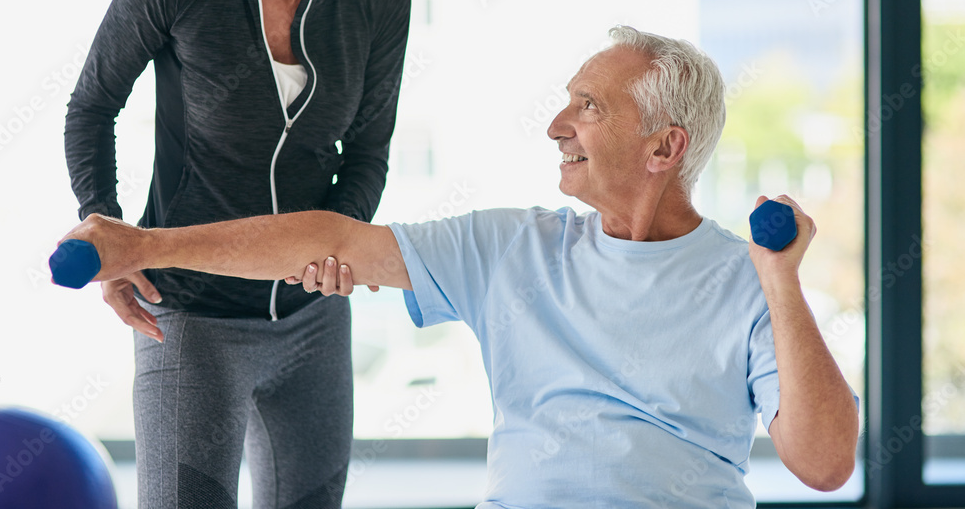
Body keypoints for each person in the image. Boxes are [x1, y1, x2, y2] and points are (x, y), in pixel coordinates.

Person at [62, 27, 859, 508]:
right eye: (567, 100)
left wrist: (782, 280)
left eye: (590, 106)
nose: (557, 124)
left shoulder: (746, 280)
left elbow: (823, 463)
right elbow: (336, 238)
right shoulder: (516, 248)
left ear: (664, 147)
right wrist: (146, 245)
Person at [63, 0, 411, 508]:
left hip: (312, 321)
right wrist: (110, 234)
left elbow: (369, 151)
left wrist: (335, 247)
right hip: (189, 314)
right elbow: (92, 103)